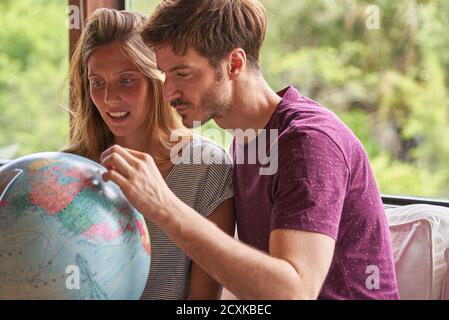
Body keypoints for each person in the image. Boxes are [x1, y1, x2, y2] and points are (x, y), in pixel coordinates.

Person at [100, 0, 400, 299]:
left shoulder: (309, 141)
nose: (168, 93)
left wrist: (164, 205)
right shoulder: (245, 142)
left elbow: (294, 292)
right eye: (165, 75)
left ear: (234, 64)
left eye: (183, 74)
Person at [64, 8, 235, 300]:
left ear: (156, 81)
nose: (109, 98)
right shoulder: (69, 170)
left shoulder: (208, 168)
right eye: (97, 83)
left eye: (126, 80)